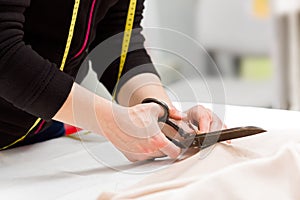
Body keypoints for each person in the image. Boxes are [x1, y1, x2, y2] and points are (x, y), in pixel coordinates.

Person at [0, 0, 224, 161]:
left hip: (40, 135)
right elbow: (4, 51)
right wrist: (111, 123)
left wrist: (163, 113)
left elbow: (119, 39)